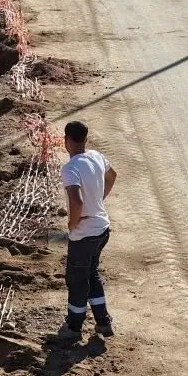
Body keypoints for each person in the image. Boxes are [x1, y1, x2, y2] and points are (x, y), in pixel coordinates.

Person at [54, 121, 118, 347]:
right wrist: (99, 200)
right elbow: (112, 175)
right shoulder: (96, 157)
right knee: (92, 274)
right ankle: (103, 322)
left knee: (77, 280)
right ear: (85, 139)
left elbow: (76, 201)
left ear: (67, 140)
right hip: (102, 229)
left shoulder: (70, 168)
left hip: (84, 234)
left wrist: (73, 223)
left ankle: (73, 327)